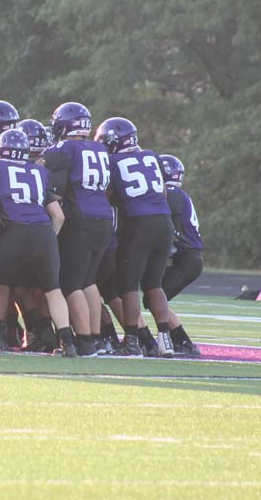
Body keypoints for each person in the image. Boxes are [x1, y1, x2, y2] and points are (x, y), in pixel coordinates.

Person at [0, 129, 72, 355]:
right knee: (53, 289)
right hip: (45, 233)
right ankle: (69, 344)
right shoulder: (39, 171)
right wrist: (48, 244)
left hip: (18, 233)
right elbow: (59, 216)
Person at [96, 117, 175, 357]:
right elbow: (161, 190)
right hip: (164, 221)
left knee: (128, 285)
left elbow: (108, 194)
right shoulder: (151, 156)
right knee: (154, 284)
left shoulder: (113, 161)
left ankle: (131, 341)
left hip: (139, 224)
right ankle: (166, 340)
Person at [42, 102, 114, 357]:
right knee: (87, 281)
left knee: (70, 283)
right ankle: (95, 338)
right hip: (104, 217)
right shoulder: (99, 147)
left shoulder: (66, 147)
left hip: (81, 218)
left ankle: (84, 342)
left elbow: (41, 161)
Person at [159, 154, 203, 356]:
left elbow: (171, 229)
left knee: (155, 299)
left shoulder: (172, 194)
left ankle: (183, 343)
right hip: (188, 258)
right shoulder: (177, 193)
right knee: (156, 297)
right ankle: (174, 339)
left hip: (187, 259)